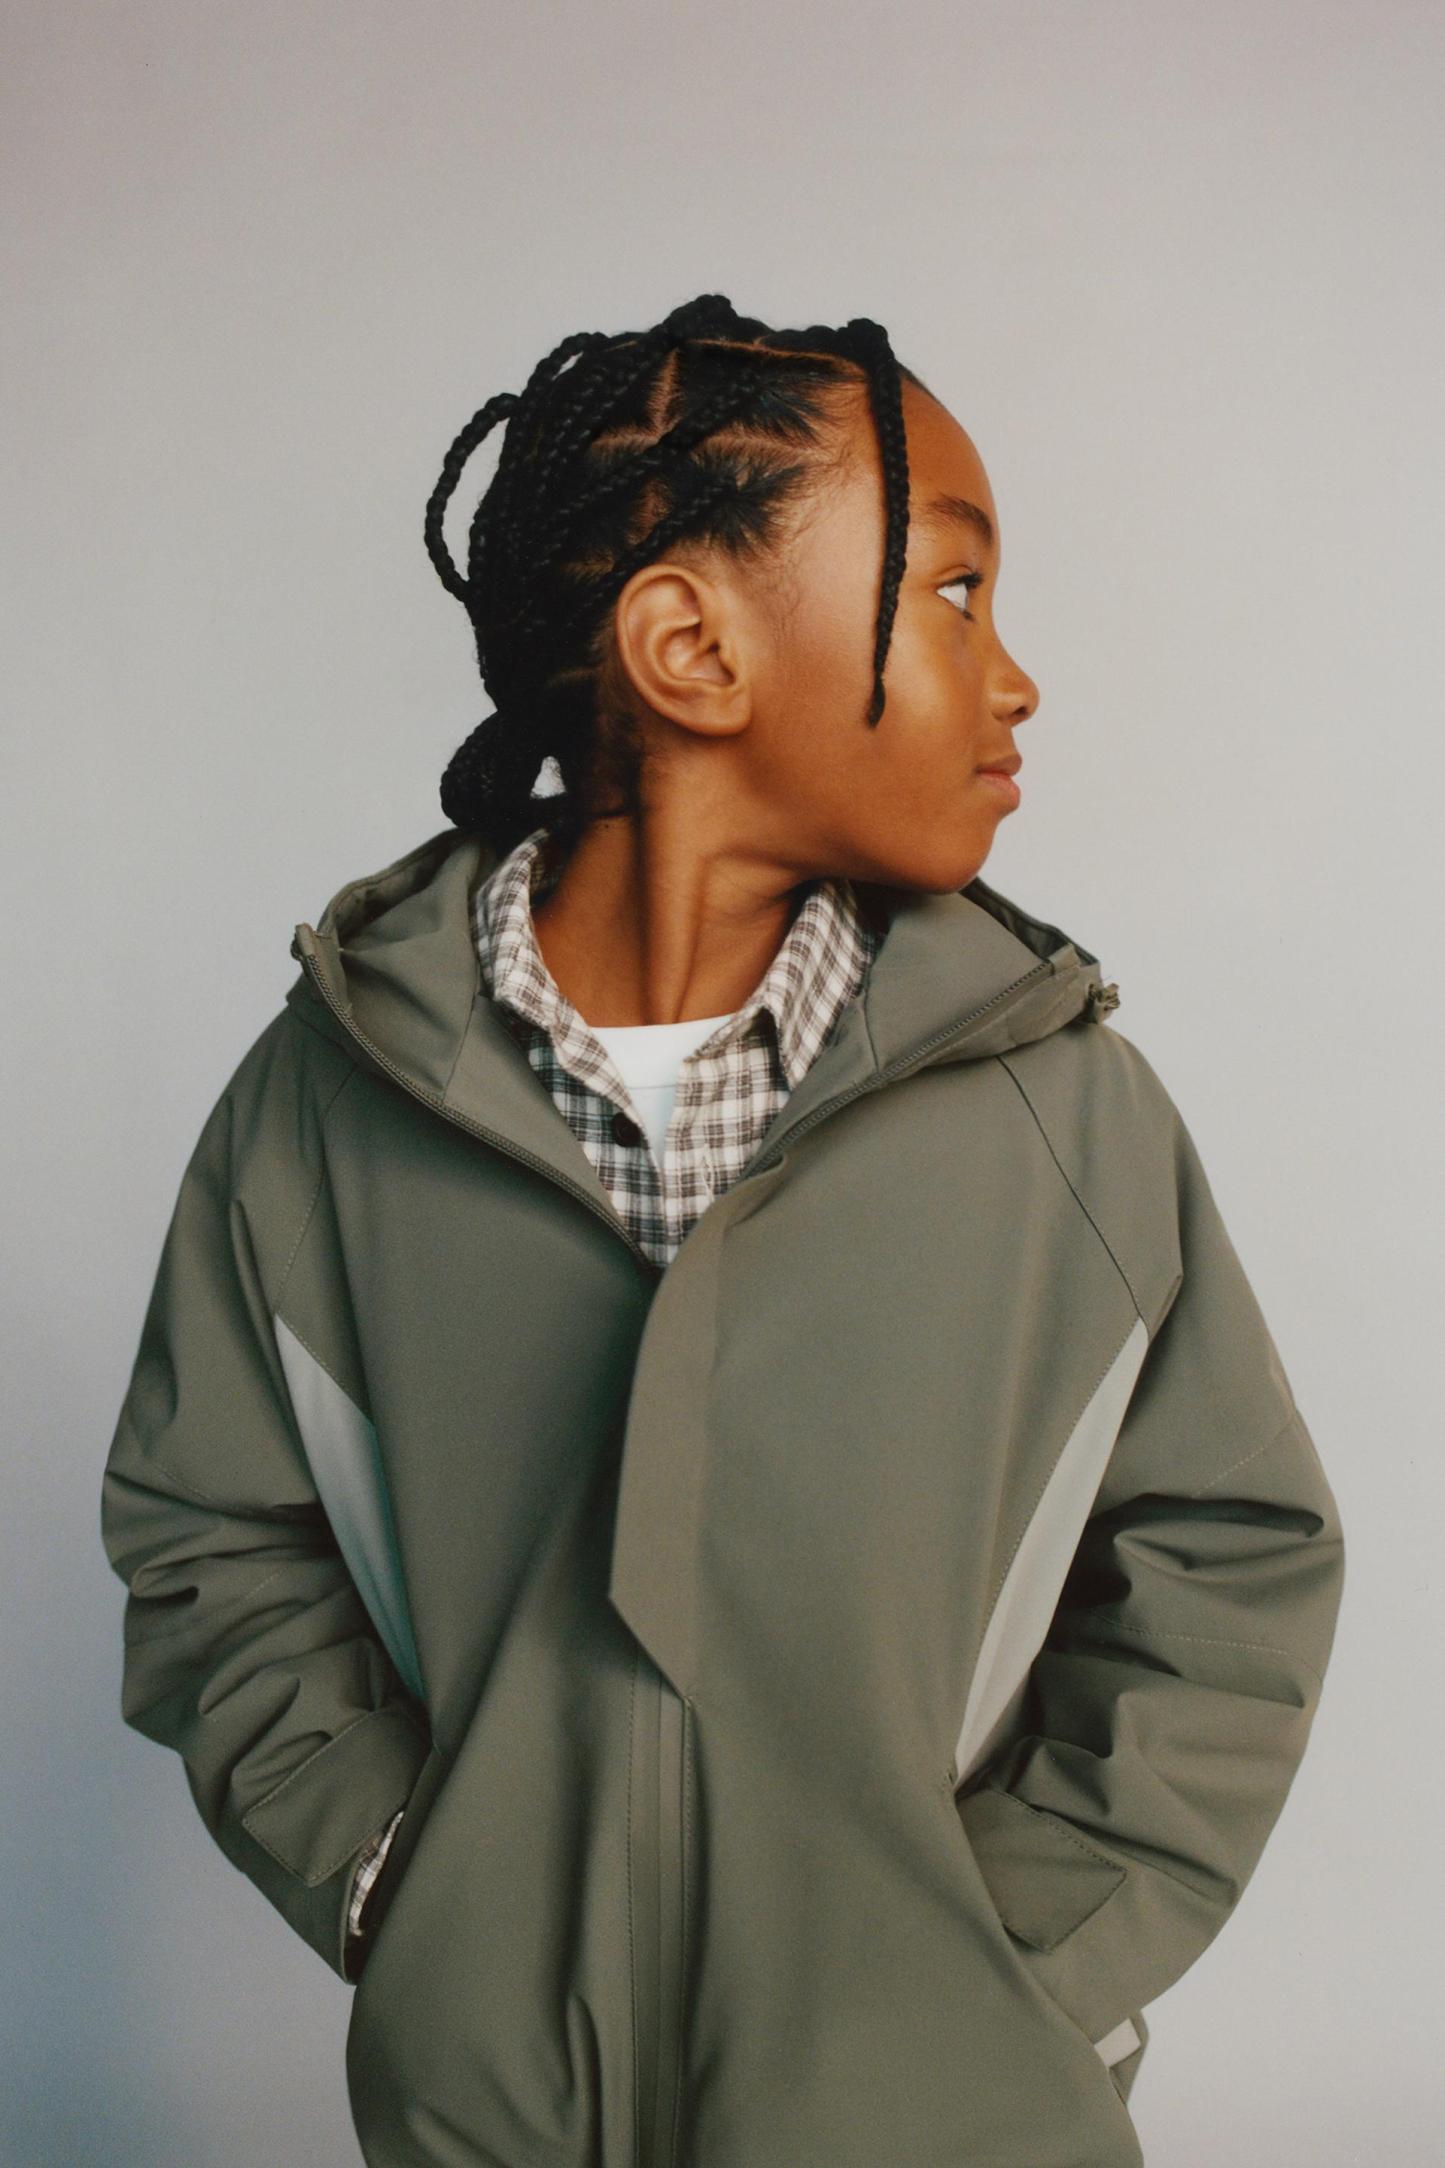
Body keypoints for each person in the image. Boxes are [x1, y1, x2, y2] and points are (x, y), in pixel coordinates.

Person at [99, 292, 1346, 2168]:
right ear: (692, 648)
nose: (1014, 679)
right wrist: (394, 1887)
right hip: (499, 2121)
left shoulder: (1058, 1113)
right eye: (953, 593)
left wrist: (1022, 1962)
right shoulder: (327, 1111)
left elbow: (1229, 1558)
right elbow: (211, 1541)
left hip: (952, 2124)